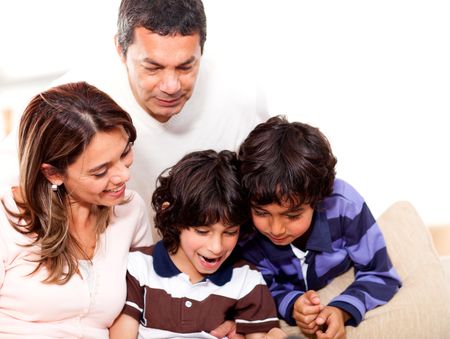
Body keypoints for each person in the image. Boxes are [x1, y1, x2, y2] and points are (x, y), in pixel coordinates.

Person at [0, 0, 269, 242]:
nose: (171, 85)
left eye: (186, 66)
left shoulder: (239, 92)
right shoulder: (74, 101)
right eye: (152, 67)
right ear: (120, 48)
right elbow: (10, 180)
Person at [0, 82, 153, 337]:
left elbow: (139, 302)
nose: (123, 175)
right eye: (100, 171)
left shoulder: (130, 210)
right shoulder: (6, 220)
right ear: (53, 173)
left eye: (125, 153)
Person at [237, 116, 402, 339]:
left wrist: (342, 310)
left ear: (318, 200)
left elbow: (381, 274)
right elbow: (256, 288)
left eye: (293, 215)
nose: (275, 229)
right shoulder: (246, 230)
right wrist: (293, 303)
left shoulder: (346, 206)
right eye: (262, 213)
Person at [109, 150, 286, 339]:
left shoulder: (247, 280)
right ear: (174, 218)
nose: (216, 247)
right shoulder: (138, 267)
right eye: (202, 231)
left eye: (230, 232)